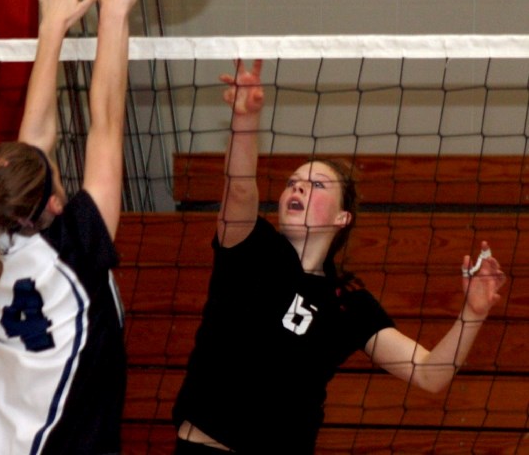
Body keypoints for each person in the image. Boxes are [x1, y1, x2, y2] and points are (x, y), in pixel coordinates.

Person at [172, 59, 507, 454]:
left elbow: (430, 375)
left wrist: (474, 312)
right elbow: (241, 189)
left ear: (342, 216)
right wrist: (245, 119)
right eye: (292, 183)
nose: (298, 189)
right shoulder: (250, 248)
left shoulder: (347, 301)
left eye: (316, 185)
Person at [0, 0, 162, 455]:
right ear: (54, 203)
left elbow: (38, 139)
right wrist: (114, 13)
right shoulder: (74, 251)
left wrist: (53, 27)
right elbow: (104, 122)